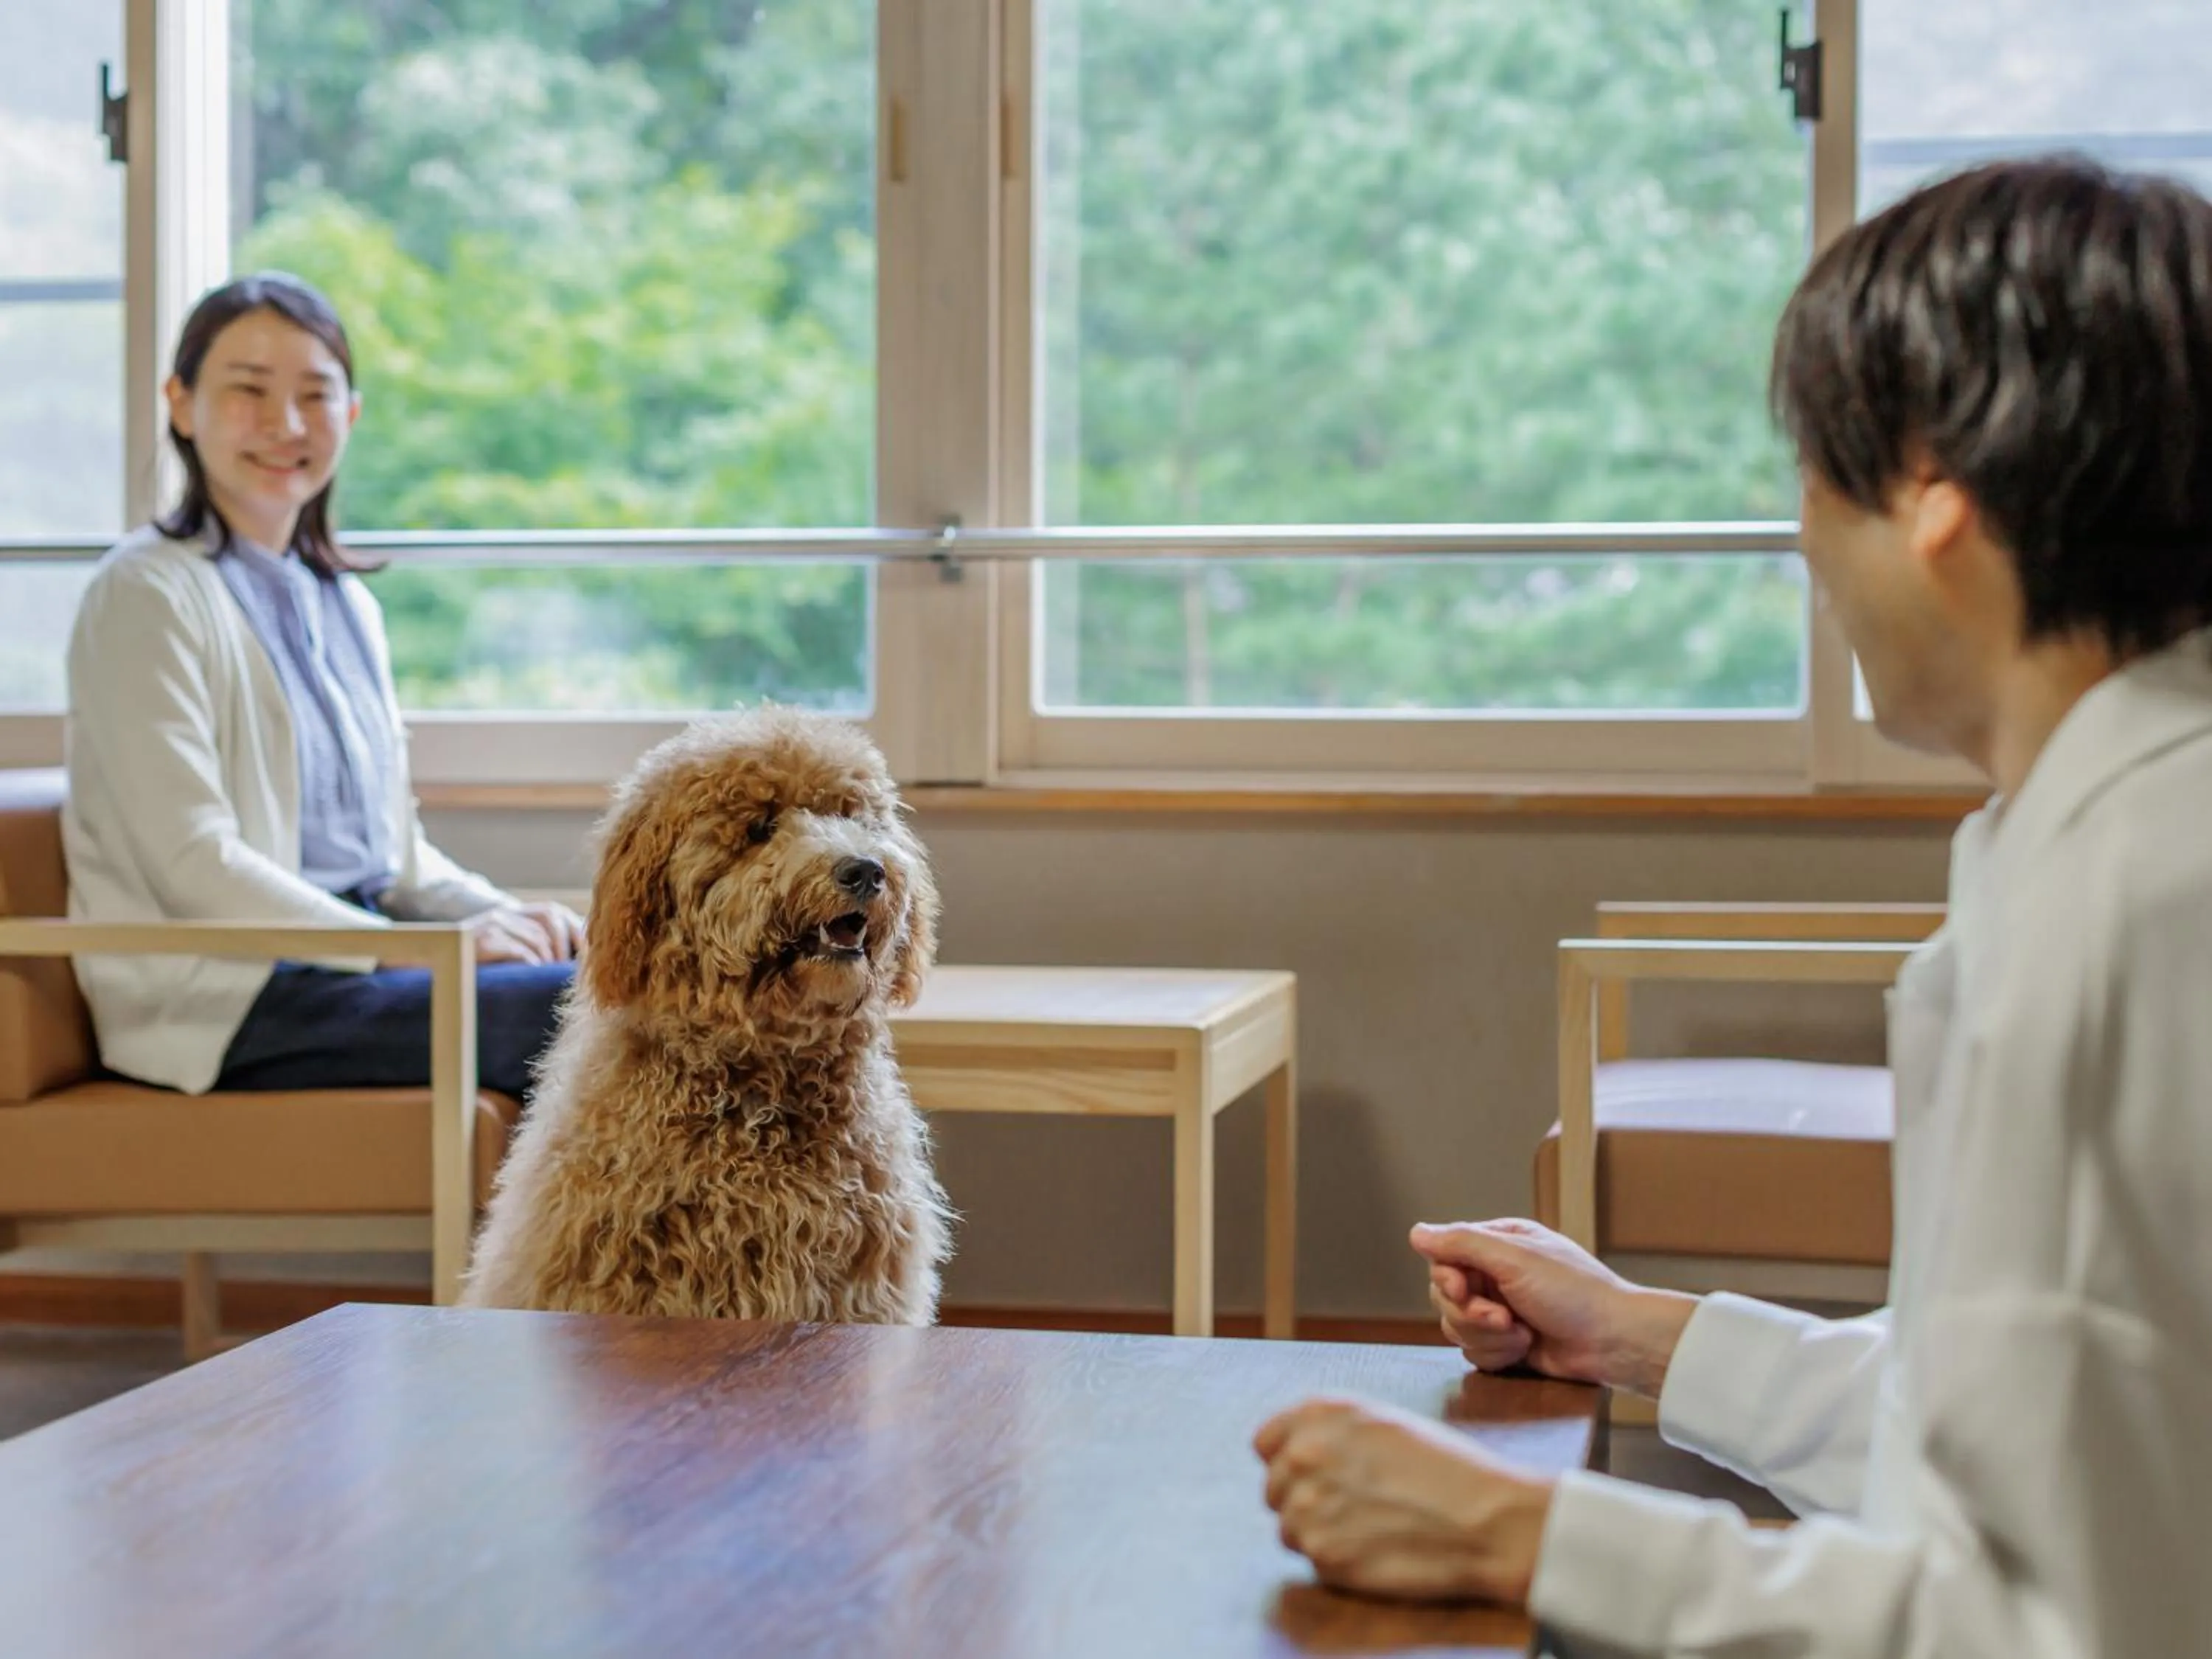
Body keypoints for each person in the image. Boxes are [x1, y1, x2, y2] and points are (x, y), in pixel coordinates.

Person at [1257, 156, 2212, 1656]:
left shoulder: (2140, 904)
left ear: (1933, 494)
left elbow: (2069, 1622)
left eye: (1815, 476)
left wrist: (1523, 1534)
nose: (1802, 543)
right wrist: (1636, 1331)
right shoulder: (2088, 829)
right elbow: (2005, 1426)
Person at [63, 271, 584, 1102]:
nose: (287, 424)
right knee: (604, 1015)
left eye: (316, 394)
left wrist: (516, 918)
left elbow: (394, 859)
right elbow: (192, 862)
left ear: (352, 415)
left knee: (622, 971)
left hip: (357, 960)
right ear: (182, 403)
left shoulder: (346, 603)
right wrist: (425, 950)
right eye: (249, 391)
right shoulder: (144, 593)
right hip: (234, 996)